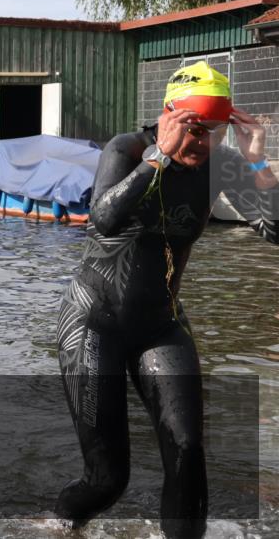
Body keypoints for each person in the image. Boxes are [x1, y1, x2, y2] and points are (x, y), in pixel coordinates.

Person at [55, 62, 277, 538]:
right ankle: (58, 526)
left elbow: (274, 230)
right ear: (169, 115)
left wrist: (257, 163)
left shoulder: (220, 164)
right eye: (194, 130)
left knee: (189, 453)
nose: (203, 144)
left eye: (214, 132)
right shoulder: (127, 149)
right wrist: (158, 157)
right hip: (95, 324)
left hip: (161, 324)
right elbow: (103, 220)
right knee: (108, 481)